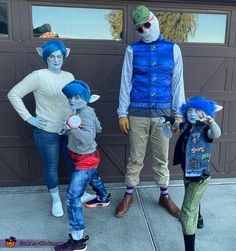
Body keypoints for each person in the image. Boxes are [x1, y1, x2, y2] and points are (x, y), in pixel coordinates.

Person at [7, 39, 95, 218]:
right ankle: (56, 200)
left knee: (75, 163)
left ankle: (79, 193)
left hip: (68, 130)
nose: (56, 59)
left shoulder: (69, 76)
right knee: (51, 166)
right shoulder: (38, 76)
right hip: (46, 131)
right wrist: (29, 118)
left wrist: (75, 120)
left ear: (64, 56)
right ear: (45, 57)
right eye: (52, 56)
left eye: (59, 56)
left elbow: (74, 102)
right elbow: (13, 94)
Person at [116, 5, 185, 218]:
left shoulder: (173, 49)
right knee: (135, 157)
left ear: (154, 21)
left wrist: (179, 113)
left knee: (161, 157)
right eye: (139, 28)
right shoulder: (132, 50)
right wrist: (122, 113)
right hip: (137, 114)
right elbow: (125, 82)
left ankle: (164, 195)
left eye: (146, 24)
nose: (144, 30)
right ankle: (129, 193)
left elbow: (177, 83)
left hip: (163, 116)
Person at [54, 80, 111, 251]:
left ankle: (78, 241)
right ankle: (103, 197)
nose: (72, 100)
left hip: (85, 159)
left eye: (77, 97)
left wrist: (73, 129)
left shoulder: (85, 113)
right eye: (70, 97)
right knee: (94, 177)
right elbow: (99, 128)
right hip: (84, 157)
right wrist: (66, 129)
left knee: (72, 198)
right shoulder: (81, 111)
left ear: (85, 98)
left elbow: (89, 137)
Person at [161, 96, 221, 251]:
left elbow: (216, 134)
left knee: (187, 213)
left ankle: (190, 248)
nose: (192, 114)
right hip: (187, 172)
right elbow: (178, 124)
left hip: (199, 177)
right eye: (189, 111)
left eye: (197, 111)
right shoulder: (187, 127)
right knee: (192, 197)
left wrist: (211, 122)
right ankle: (199, 217)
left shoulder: (205, 130)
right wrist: (169, 119)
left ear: (205, 113)